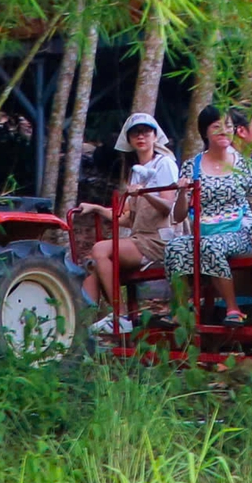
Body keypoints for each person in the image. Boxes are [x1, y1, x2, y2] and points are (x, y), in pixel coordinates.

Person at [165, 105, 252, 324]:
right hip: (203, 232)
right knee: (175, 247)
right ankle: (182, 311)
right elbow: (178, 215)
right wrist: (182, 192)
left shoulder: (243, 165)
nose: (224, 131)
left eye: (228, 126)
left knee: (209, 246)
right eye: (216, 127)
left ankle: (233, 309)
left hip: (236, 232)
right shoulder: (192, 166)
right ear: (205, 132)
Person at [73, 113, 177, 334]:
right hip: (139, 238)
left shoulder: (165, 164)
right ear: (129, 139)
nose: (141, 136)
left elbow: (168, 207)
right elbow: (127, 217)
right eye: (135, 133)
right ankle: (79, 329)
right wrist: (97, 209)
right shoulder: (135, 173)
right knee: (92, 266)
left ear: (154, 136)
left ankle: (119, 316)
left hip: (160, 239)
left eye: (146, 132)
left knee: (100, 249)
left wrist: (145, 193)